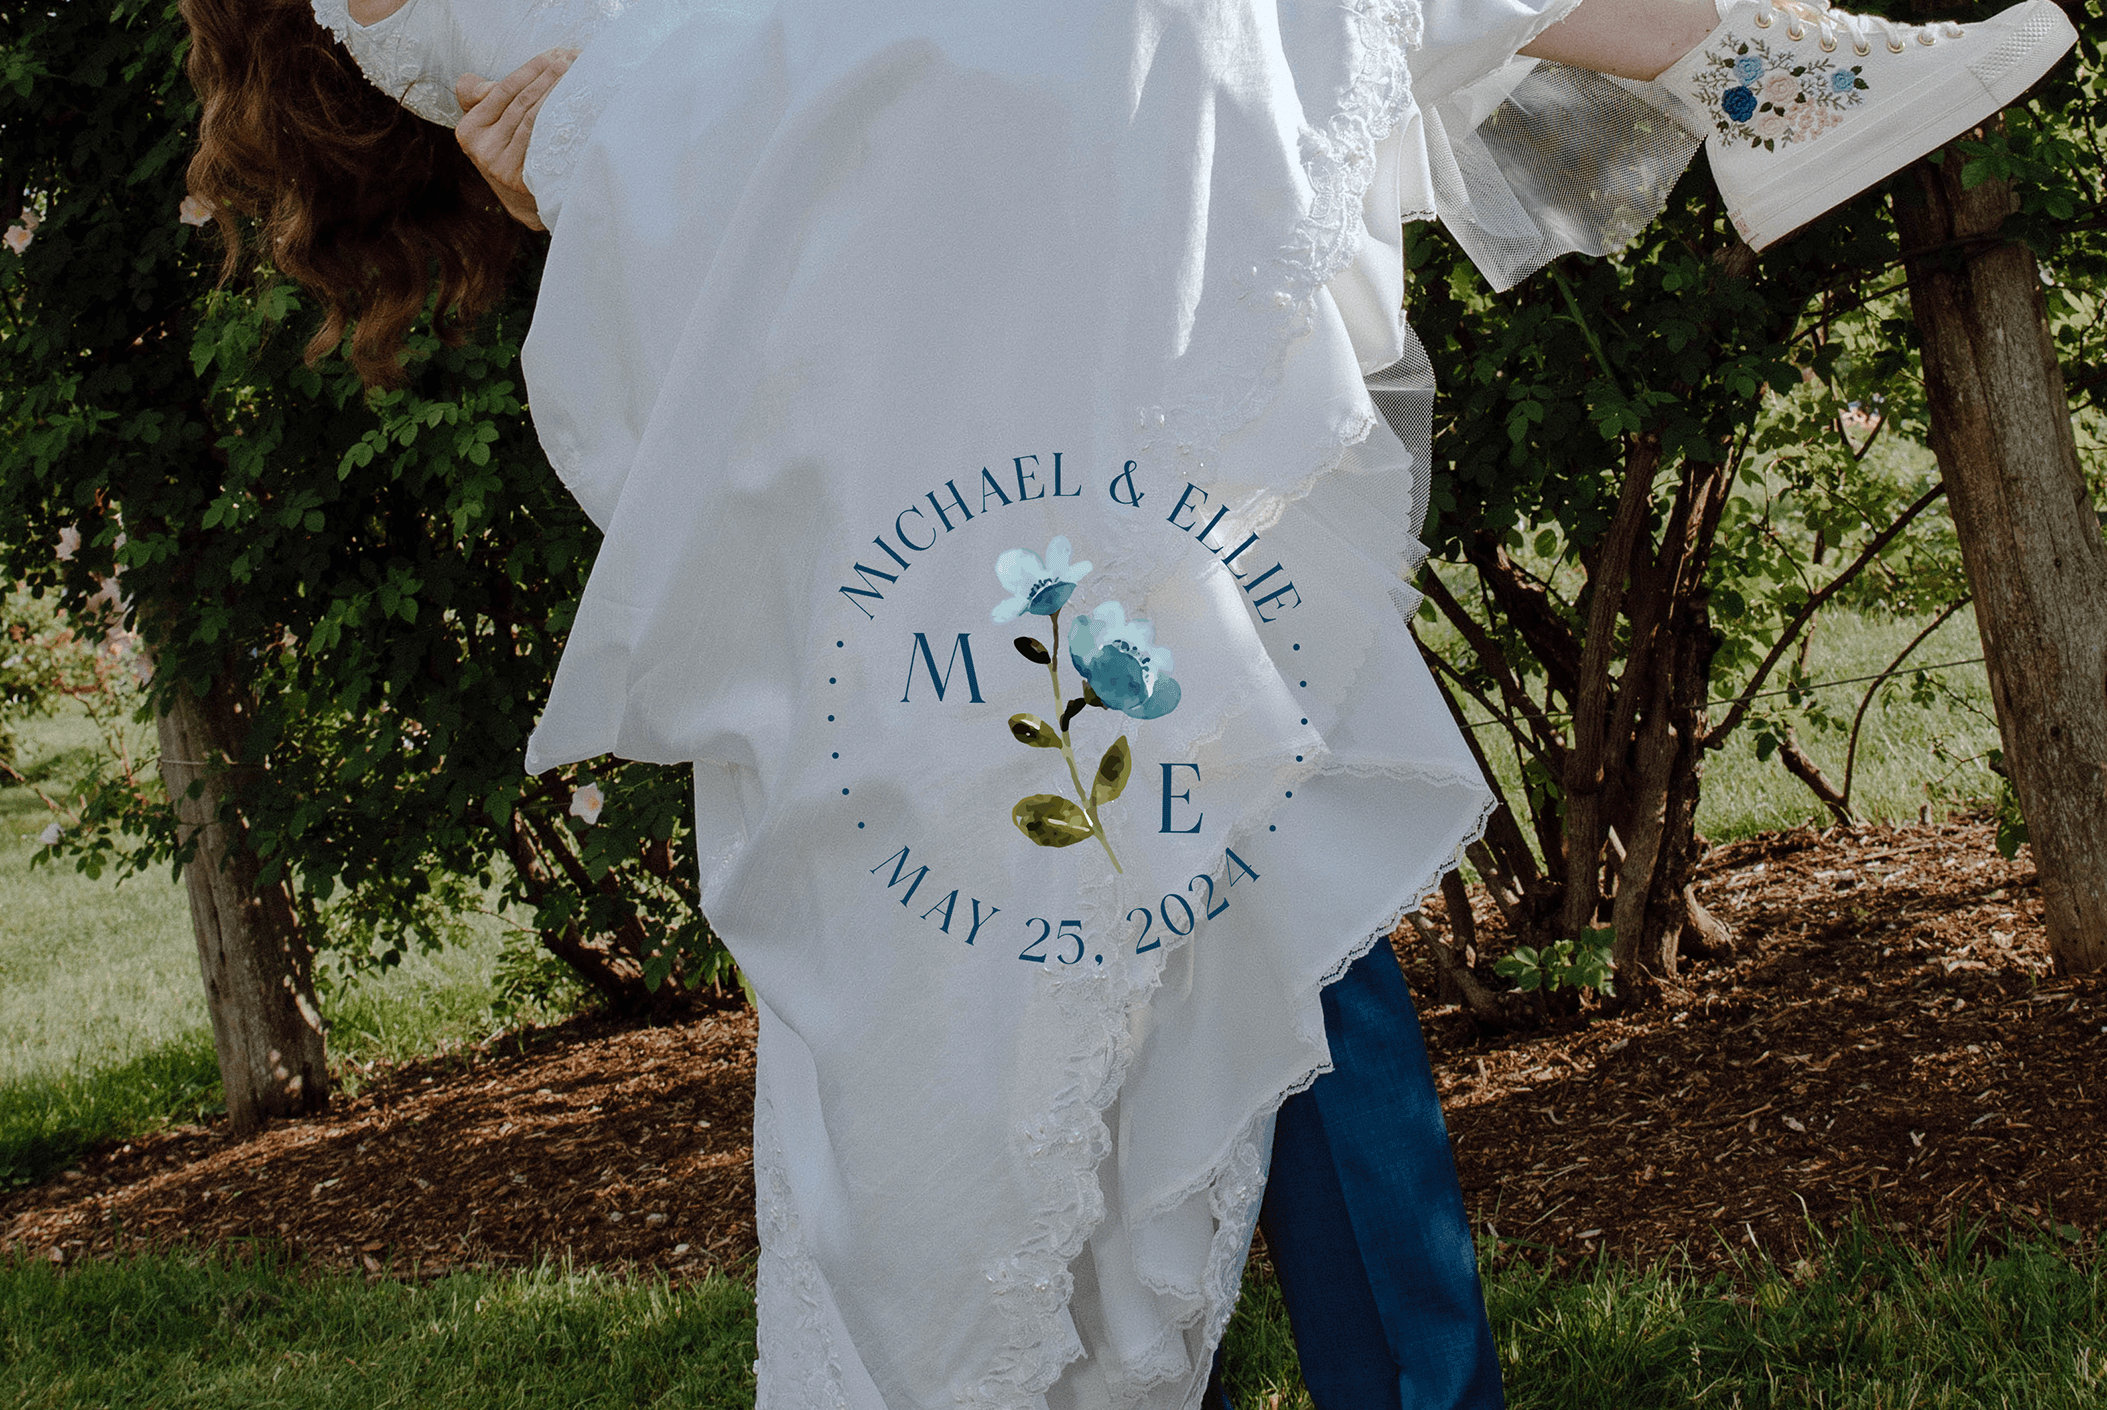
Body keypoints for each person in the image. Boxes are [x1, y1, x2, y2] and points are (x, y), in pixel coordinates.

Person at [180, 2, 2074, 1406]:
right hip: (938, 346)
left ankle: (1746, 61)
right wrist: (574, 172)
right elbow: (675, 107)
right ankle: (1745, 62)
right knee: (1109, 965)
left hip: (996, 295)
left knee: (1246, 884)